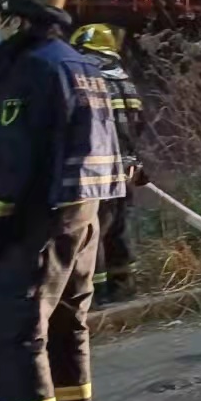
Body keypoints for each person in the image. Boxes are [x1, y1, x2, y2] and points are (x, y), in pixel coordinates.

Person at [0, 0, 127, 401]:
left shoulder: (30, 69)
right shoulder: (82, 64)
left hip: (40, 219)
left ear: (15, 16)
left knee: (8, 331)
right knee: (64, 322)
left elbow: (12, 159)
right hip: (85, 215)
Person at [72, 24, 145, 305]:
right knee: (119, 228)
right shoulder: (125, 80)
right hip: (127, 168)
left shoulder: (88, 78)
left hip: (98, 168)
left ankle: (96, 293)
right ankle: (124, 285)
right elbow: (138, 125)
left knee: (93, 232)